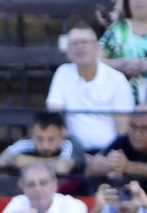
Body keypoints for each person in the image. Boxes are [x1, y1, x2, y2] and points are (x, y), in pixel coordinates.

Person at [47, 26, 136, 154]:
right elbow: (54, 114)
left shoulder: (116, 79)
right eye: (74, 43)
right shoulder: (62, 73)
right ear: (68, 51)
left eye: (84, 42)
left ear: (96, 48)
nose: (79, 47)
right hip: (73, 152)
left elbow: (123, 130)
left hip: (109, 152)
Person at [99, 0, 147, 103]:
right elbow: (94, 59)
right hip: (121, 102)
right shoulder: (116, 30)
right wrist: (116, 64)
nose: (139, 1)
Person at [0, 110, 82, 177]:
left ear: (62, 134)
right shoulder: (27, 142)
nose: (45, 145)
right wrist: (52, 162)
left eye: (51, 139)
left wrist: (23, 161)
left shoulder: (69, 144)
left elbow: (61, 168)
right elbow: (2, 160)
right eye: (40, 139)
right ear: (31, 133)